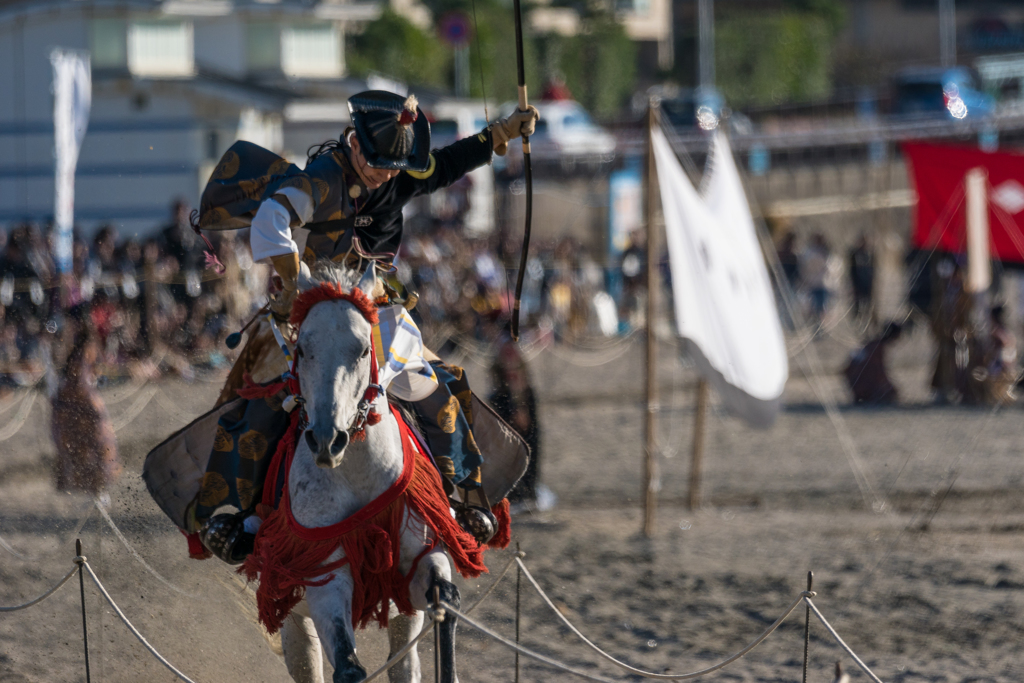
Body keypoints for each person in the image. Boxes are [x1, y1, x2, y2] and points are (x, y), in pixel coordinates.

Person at [186, 90, 539, 562]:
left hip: (379, 309)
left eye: (393, 167)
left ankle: (460, 497)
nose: (386, 175)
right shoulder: (320, 179)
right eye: (377, 163)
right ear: (353, 143)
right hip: (312, 311)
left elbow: (450, 162)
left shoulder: (400, 173)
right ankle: (244, 517)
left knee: (436, 388)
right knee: (267, 396)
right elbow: (272, 216)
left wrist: (502, 133)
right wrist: (294, 283)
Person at [51, 307, 121, 495]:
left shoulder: (87, 345)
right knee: (73, 444)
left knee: (96, 442)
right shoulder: (70, 345)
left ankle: (99, 487)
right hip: (72, 402)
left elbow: (83, 377)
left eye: (70, 323)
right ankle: (87, 487)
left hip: (83, 401)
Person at [844, 322, 903, 404]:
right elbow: (879, 371)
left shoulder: (874, 344)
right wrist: (891, 387)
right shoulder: (877, 348)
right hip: (860, 383)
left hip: (855, 381)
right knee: (889, 394)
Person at [848, 232, 874, 321]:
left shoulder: (869, 254)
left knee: (867, 307)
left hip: (867, 285)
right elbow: (851, 270)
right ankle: (857, 322)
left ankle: (866, 321)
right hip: (857, 285)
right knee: (857, 306)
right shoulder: (854, 254)